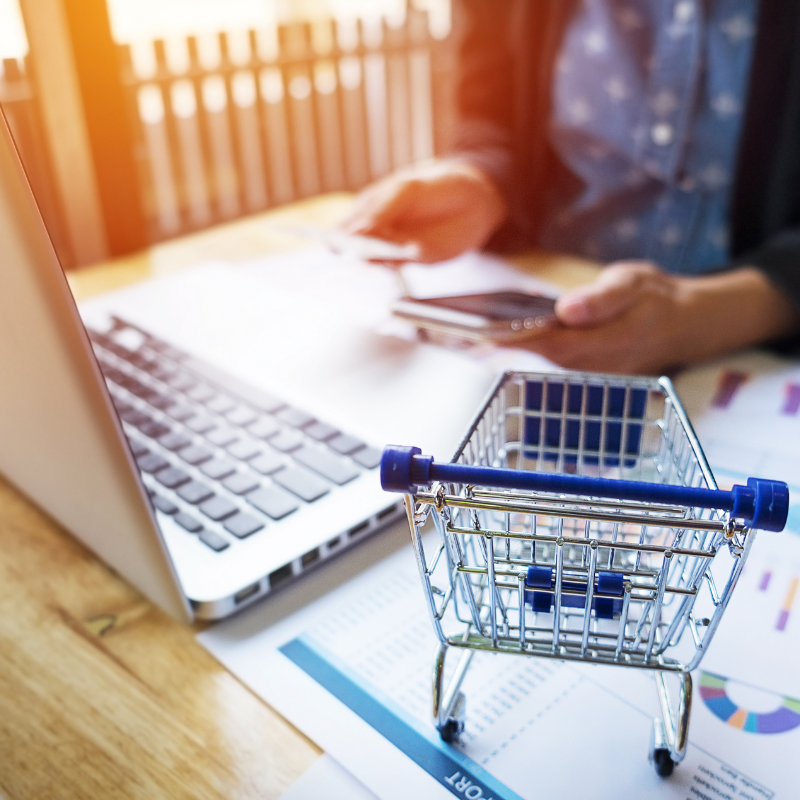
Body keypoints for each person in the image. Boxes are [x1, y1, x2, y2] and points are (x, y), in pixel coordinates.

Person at [342, 0, 800, 374]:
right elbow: (489, 103)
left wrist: (710, 316)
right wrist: (482, 179)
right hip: (531, 322)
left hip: (750, 360)